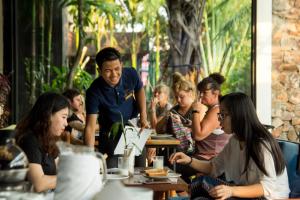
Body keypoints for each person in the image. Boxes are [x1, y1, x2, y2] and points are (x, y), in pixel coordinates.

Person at [170, 92, 290, 200]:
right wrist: (189, 160)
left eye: (223, 115)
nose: (219, 120)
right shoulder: (235, 141)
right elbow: (213, 167)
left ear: (238, 115)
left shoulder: (261, 143)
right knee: (199, 183)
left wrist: (231, 191)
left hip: (266, 197)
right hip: (243, 192)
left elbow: (267, 187)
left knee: (203, 185)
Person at [84, 47, 148, 168]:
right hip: (110, 134)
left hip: (132, 128)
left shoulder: (130, 74)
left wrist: (143, 115)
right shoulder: (94, 91)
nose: (114, 74)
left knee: (140, 168)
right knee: (113, 171)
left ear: (121, 65)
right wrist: (89, 155)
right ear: (99, 70)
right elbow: (90, 127)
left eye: (117, 69)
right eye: (108, 70)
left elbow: (140, 90)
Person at [15, 92, 69, 193]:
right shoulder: (29, 140)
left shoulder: (48, 139)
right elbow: (39, 184)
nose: (66, 123)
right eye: (63, 117)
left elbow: (61, 168)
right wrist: (71, 178)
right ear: (48, 115)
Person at [192, 73, 230, 160]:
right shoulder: (213, 109)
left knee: (172, 163)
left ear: (215, 94)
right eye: (200, 92)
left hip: (210, 159)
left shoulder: (217, 110)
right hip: (203, 157)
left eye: (204, 92)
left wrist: (195, 111)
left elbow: (198, 136)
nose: (201, 95)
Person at [156, 72, 196, 153]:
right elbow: (158, 130)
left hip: (190, 151)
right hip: (173, 149)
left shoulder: (196, 109)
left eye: (181, 97)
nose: (178, 100)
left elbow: (198, 134)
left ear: (190, 93)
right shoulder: (174, 109)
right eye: (176, 97)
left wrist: (182, 124)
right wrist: (166, 117)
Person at [147, 84, 172, 164]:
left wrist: (153, 108)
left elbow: (155, 126)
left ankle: (152, 164)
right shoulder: (158, 107)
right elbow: (150, 125)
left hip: (165, 138)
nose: (156, 94)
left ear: (166, 95)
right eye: (155, 92)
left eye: (159, 92)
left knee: (150, 147)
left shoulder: (168, 108)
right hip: (157, 136)